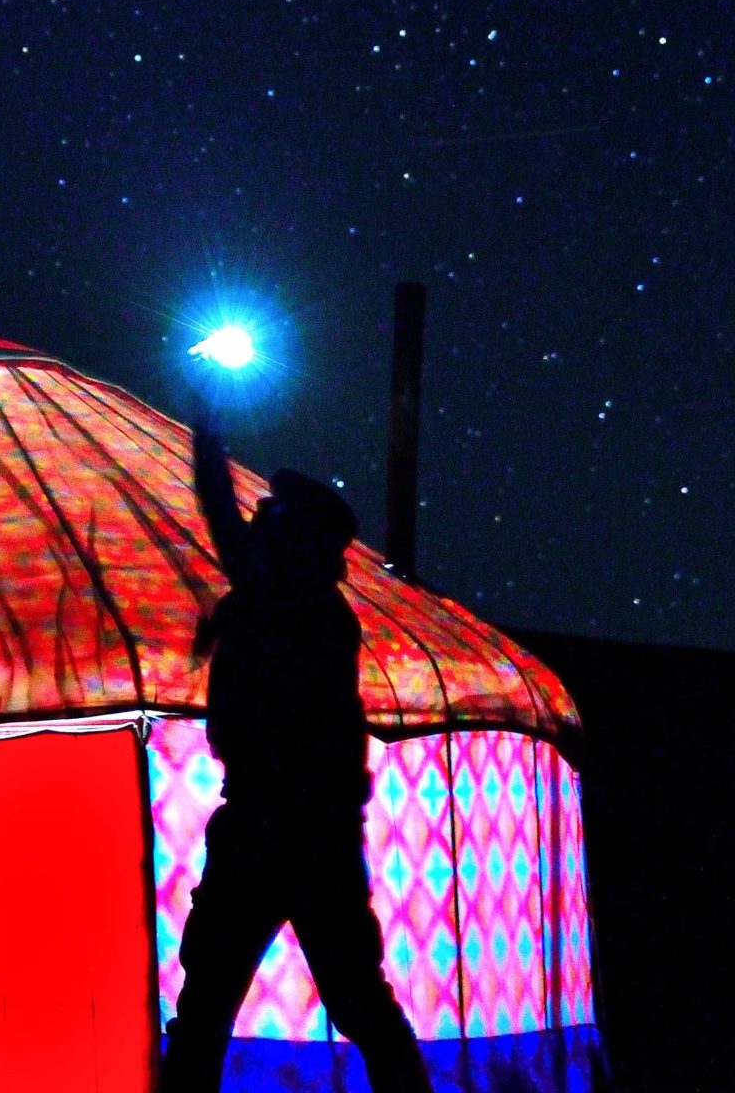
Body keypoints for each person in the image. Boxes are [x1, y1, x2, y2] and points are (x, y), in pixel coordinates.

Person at [159, 408, 431, 1093]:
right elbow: (222, 513)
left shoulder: (290, 602)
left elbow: (218, 510)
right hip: (301, 830)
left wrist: (207, 425)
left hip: (286, 827)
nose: (256, 515)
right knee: (338, 998)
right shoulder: (289, 596)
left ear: (298, 536)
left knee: (224, 1004)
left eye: (271, 510)